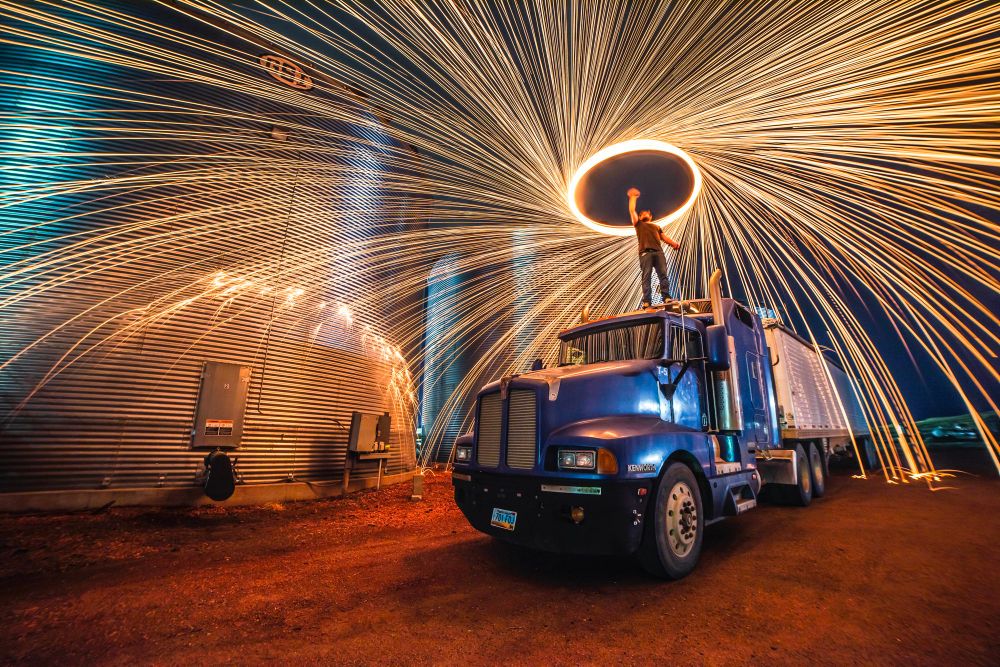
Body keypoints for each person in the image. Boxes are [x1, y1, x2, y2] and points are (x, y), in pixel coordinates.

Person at [627, 187, 680, 309]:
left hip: (658, 252)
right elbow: (632, 210)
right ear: (640, 217)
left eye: (647, 213)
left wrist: (674, 244)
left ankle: (666, 297)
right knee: (646, 277)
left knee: (663, 275)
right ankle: (647, 301)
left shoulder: (656, 227)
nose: (645, 214)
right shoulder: (638, 224)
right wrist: (633, 198)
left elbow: (664, 237)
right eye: (642, 214)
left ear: (650, 217)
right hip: (645, 253)